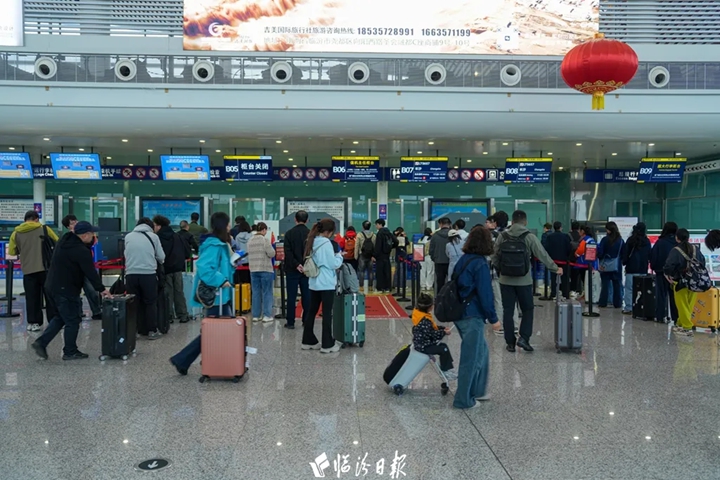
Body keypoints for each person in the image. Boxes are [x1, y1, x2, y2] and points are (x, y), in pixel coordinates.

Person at [31, 221, 111, 360]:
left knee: (61, 317)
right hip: (65, 289)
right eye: (92, 234)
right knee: (73, 320)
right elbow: (90, 272)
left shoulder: (65, 241)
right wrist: (102, 289)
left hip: (52, 285)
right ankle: (70, 351)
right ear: (85, 235)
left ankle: (41, 343)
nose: (94, 236)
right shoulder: (80, 250)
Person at [170, 212, 236, 375]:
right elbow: (205, 268)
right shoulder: (214, 245)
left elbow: (221, 266)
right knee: (214, 331)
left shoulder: (221, 243)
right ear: (222, 225)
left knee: (215, 330)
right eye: (228, 223)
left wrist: (233, 264)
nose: (230, 226)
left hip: (222, 294)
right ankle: (183, 359)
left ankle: (189, 360)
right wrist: (221, 280)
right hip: (215, 295)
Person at [493, 210, 561, 353]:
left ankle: (510, 343)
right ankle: (524, 338)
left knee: (508, 311)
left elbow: (494, 256)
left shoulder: (502, 236)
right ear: (525, 222)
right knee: (527, 309)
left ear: (512, 221)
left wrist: (501, 270)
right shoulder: (529, 237)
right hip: (524, 281)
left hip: (505, 280)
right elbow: (542, 254)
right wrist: (555, 268)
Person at [454, 226, 501, 409]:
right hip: (472, 315)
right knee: (471, 358)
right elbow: (485, 293)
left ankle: (478, 390)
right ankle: (463, 400)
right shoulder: (480, 264)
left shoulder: (463, 260)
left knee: (482, 352)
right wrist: (493, 318)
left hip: (461, 312)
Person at [8, 210, 59, 331]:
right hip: (46, 268)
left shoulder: (16, 233)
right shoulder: (45, 229)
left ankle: (34, 323)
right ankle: (54, 321)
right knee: (50, 296)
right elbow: (57, 241)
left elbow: (12, 252)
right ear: (36, 219)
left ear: (25, 220)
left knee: (32, 298)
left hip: (28, 270)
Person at [301, 219, 344, 353]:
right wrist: (339, 256)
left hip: (314, 282)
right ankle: (327, 344)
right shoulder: (326, 243)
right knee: (327, 313)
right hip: (326, 282)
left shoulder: (311, 240)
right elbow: (333, 264)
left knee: (312, 311)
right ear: (329, 232)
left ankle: (307, 340)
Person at [124, 217, 165, 339]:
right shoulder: (153, 237)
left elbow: (126, 254)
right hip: (148, 274)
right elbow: (161, 257)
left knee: (133, 303)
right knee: (150, 302)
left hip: (131, 274)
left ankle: (134, 331)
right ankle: (152, 331)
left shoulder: (128, 236)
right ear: (150, 226)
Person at [664, 228, 705, 337]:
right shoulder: (696, 249)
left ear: (677, 238)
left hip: (680, 281)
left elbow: (669, 266)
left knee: (682, 305)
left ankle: (687, 328)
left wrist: (668, 275)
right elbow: (702, 262)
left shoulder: (676, 250)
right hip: (695, 281)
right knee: (689, 305)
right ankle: (680, 324)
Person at [61, 214, 102, 320]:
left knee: (91, 290)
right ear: (68, 227)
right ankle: (78, 312)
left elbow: (92, 243)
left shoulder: (86, 236)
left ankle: (96, 311)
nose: (75, 224)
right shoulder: (67, 239)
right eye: (72, 223)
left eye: (75, 221)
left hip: (85, 267)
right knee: (75, 293)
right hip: (74, 270)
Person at [153, 215, 190, 324]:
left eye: (154, 225)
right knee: (179, 292)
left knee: (167, 293)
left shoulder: (157, 238)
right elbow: (187, 252)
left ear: (159, 226)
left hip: (165, 269)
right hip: (178, 269)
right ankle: (183, 315)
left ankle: (168, 316)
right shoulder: (177, 236)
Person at [411, 293, 456, 379]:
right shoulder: (425, 320)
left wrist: (442, 328)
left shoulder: (419, 315)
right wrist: (443, 332)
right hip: (424, 346)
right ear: (430, 307)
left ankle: (446, 368)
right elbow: (432, 334)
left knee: (444, 346)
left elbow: (431, 328)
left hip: (421, 343)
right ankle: (444, 371)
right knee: (443, 349)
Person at [283, 210, 310, 329]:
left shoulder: (289, 234)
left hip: (292, 269)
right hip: (307, 270)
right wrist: (303, 265)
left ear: (295, 219)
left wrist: (296, 264)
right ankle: (307, 321)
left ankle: (290, 322)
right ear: (307, 220)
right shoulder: (310, 234)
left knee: (291, 296)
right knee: (307, 296)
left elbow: (288, 253)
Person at [651, 222, 679, 324]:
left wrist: (654, 267)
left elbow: (653, 257)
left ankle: (660, 316)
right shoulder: (678, 243)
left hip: (661, 272)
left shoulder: (660, 242)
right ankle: (676, 318)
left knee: (661, 295)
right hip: (675, 274)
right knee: (674, 296)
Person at [247, 222, 276, 323]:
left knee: (256, 292)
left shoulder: (250, 240)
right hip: (265, 269)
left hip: (253, 269)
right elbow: (271, 253)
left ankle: (256, 315)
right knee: (267, 292)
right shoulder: (265, 240)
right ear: (263, 230)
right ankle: (267, 315)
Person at [622, 222, 652, 315]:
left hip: (631, 268)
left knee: (629, 289)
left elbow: (625, 254)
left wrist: (624, 262)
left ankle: (629, 308)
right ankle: (640, 307)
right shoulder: (647, 241)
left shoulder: (630, 240)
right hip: (643, 268)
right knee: (641, 289)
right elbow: (649, 254)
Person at [598, 222, 625, 309]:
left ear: (608, 230)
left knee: (605, 285)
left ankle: (603, 302)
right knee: (617, 285)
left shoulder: (605, 240)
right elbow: (623, 254)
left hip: (605, 265)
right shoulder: (620, 241)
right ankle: (617, 303)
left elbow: (600, 253)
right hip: (617, 266)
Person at [544, 221, 572, 299]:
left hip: (553, 260)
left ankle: (553, 293)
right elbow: (569, 248)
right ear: (560, 227)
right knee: (565, 277)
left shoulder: (550, 237)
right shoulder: (566, 236)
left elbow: (547, 248)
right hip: (564, 260)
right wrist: (567, 257)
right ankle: (565, 293)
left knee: (553, 277)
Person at [574, 225, 598, 299]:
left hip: (583, 263)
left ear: (582, 231)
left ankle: (586, 295)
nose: (578, 232)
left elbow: (579, 251)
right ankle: (588, 295)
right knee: (589, 280)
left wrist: (576, 254)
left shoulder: (584, 240)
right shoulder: (592, 239)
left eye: (580, 230)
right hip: (591, 263)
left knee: (584, 280)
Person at [374, 219, 397, 294]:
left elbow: (378, 246)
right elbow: (396, 241)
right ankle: (388, 287)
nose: (376, 226)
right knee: (387, 272)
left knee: (380, 273)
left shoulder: (379, 233)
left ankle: (380, 288)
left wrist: (374, 255)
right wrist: (391, 247)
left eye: (376, 224)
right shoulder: (389, 232)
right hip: (387, 255)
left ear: (380, 224)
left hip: (380, 256)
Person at [429, 217, 452, 292]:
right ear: (449, 224)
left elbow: (431, 250)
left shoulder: (435, 235)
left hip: (438, 261)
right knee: (452, 282)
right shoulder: (453, 235)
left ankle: (440, 296)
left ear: (440, 224)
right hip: (451, 261)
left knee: (440, 282)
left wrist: (434, 258)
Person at [355, 221, 376, 292]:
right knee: (371, 271)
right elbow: (375, 246)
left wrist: (356, 256)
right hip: (371, 256)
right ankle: (370, 286)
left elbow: (357, 246)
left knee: (361, 271)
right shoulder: (373, 235)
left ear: (363, 227)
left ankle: (361, 287)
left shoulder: (359, 235)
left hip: (362, 255)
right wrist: (374, 256)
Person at [233, 219, 253, 285]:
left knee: (242, 279)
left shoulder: (237, 237)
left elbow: (237, 249)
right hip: (250, 260)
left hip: (241, 260)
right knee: (250, 278)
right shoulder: (251, 236)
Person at [568, 221, 582, 294]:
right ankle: (577, 289)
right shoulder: (581, 236)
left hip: (570, 257)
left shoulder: (568, 235)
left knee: (569, 274)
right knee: (577, 275)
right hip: (579, 258)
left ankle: (569, 289)